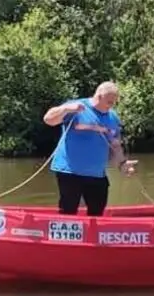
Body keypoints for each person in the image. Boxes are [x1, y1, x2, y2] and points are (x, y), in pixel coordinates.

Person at [42, 82, 138, 217]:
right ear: (99, 96)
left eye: (114, 102)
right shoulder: (77, 108)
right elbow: (48, 119)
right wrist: (66, 109)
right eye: (109, 102)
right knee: (68, 211)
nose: (111, 106)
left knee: (97, 210)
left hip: (96, 173)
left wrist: (122, 164)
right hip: (70, 171)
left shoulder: (112, 117)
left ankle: (92, 236)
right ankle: (66, 237)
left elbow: (115, 145)